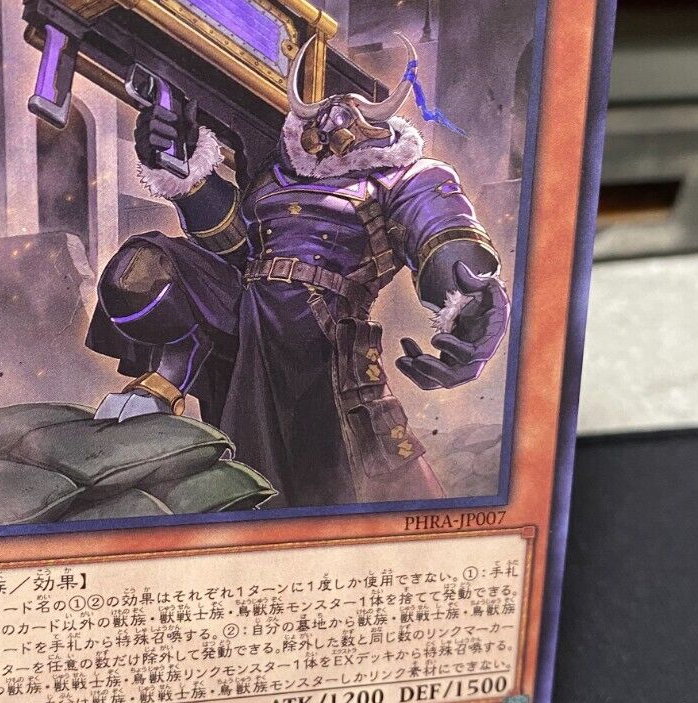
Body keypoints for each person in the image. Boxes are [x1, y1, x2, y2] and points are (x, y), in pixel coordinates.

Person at [87, 36, 509, 510]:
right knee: (144, 265)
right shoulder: (274, 177)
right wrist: (185, 173)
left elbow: (440, 231)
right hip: (251, 325)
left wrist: (468, 297)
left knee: (346, 488)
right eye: (323, 116)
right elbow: (234, 248)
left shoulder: (405, 175)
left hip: (325, 341)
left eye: (348, 114)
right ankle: (165, 383)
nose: (333, 123)